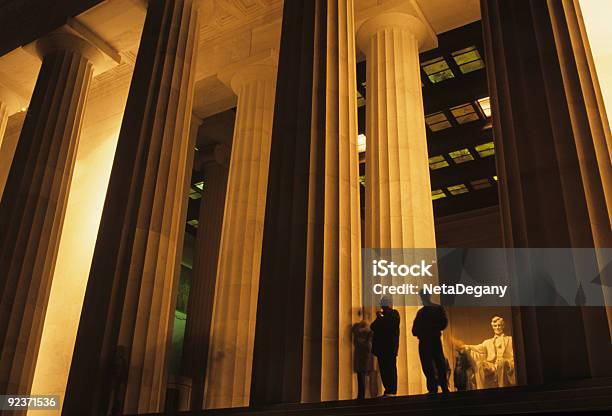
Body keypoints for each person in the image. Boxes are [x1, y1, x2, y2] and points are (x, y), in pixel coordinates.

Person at [412, 291, 449, 394]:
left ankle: (438, 387)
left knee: (436, 364)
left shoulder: (425, 312)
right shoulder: (429, 311)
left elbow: (443, 323)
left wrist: (427, 329)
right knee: (432, 364)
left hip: (429, 340)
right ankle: (439, 387)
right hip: (430, 340)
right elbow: (414, 330)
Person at [461, 316, 515, 388]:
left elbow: (514, 355)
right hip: (492, 365)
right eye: (495, 326)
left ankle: (502, 388)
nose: (497, 327)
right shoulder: (488, 342)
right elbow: (478, 347)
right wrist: (467, 346)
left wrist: (510, 362)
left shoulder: (510, 340)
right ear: (493, 327)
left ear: (503, 326)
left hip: (505, 364)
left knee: (501, 362)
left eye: (499, 325)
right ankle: (480, 390)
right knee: (479, 363)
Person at [370, 296, 400, 397]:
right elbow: (372, 326)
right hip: (382, 348)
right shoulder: (382, 317)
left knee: (390, 369)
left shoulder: (394, 314)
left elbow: (387, 325)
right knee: (384, 370)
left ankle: (392, 390)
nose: (382, 306)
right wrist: (380, 318)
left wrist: (380, 318)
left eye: (384, 303)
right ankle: (388, 389)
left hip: (389, 347)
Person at [352, 314, 375, 399]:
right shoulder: (369, 334)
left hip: (363, 354)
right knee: (364, 375)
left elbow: (356, 342)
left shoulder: (360, 333)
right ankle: (364, 394)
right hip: (365, 354)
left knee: (362, 375)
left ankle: (362, 395)